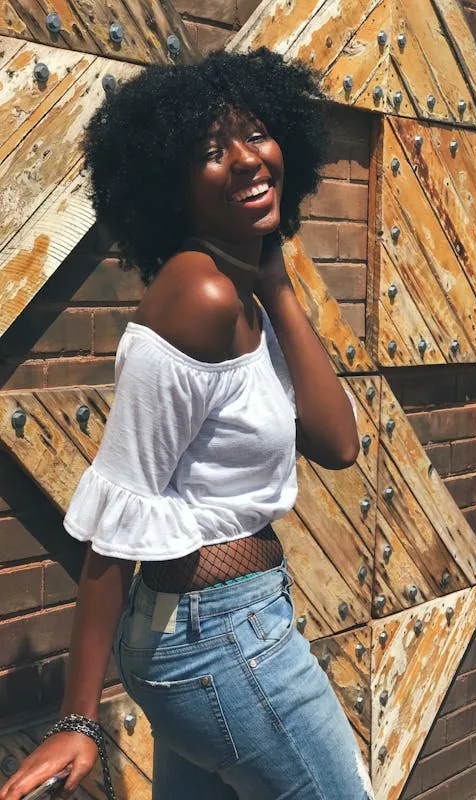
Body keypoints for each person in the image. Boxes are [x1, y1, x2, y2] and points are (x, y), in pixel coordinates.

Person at [0, 48, 373, 800]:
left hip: (217, 635)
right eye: (210, 151)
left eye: (256, 134)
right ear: (168, 184)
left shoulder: (242, 288)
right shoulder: (197, 293)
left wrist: (278, 286)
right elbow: (120, 505)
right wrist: (80, 717)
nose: (245, 160)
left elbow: (338, 444)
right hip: (223, 643)